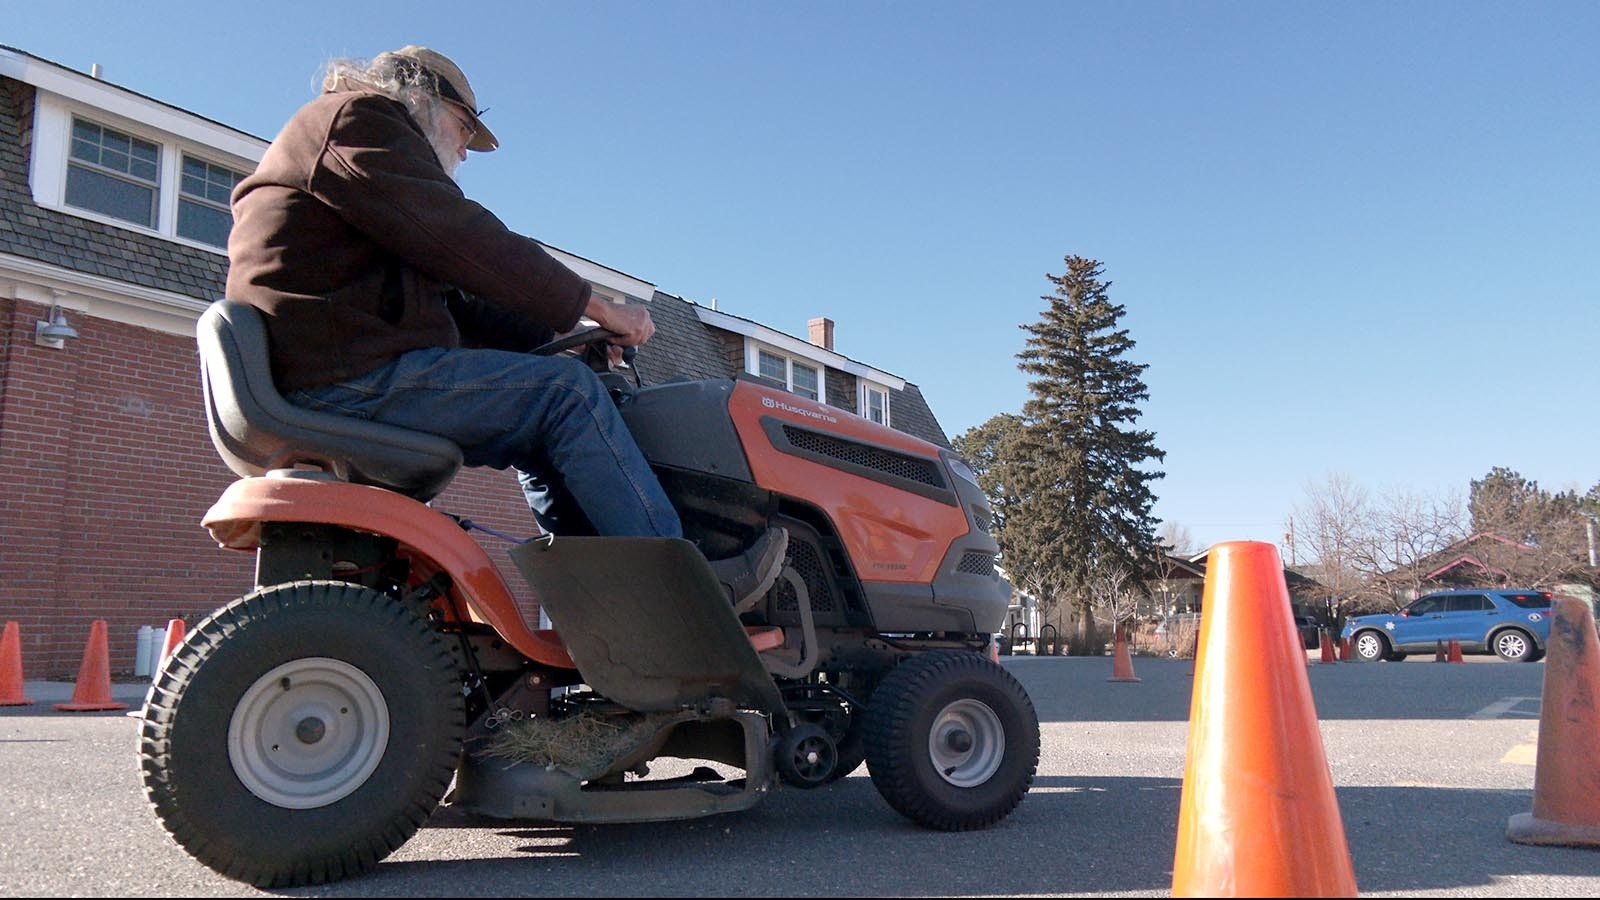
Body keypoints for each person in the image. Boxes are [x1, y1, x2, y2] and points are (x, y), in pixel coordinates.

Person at [224, 45, 784, 606]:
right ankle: (684, 586)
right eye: (465, 126)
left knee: (547, 413)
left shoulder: (371, 182)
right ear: (416, 95)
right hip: (345, 376)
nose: (466, 149)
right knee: (566, 397)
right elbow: (465, 240)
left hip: (342, 364)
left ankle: (599, 603)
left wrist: (567, 338)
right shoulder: (357, 121)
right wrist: (597, 307)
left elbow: (464, 301)